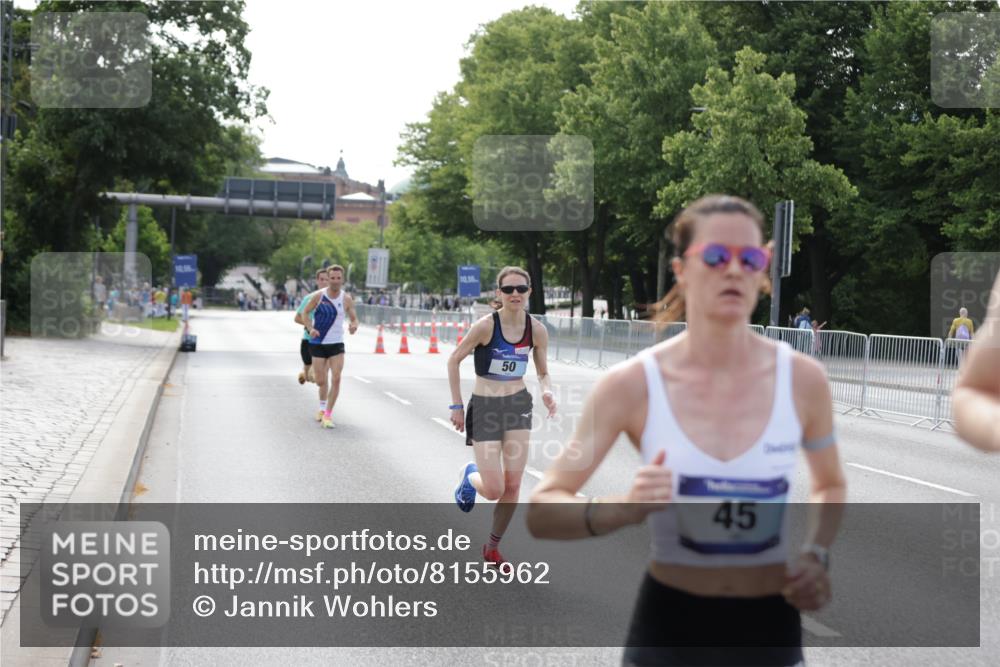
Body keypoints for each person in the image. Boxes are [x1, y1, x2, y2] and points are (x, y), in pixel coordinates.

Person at [526, 195, 846, 666]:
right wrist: (624, 510)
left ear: (764, 270)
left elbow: (830, 483)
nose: (733, 270)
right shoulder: (631, 385)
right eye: (715, 257)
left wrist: (817, 553)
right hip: (669, 631)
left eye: (750, 258)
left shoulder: (803, 380)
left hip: (770, 634)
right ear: (682, 270)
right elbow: (542, 509)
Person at [449, 266, 558, 569]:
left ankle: (492, 548)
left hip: (518, 406)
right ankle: (470, 475)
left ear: (529, 292)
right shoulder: (485, 326)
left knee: (513, 486)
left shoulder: (536, 330)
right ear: (498, 294)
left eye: (520, 289)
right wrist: (456, 406)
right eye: (508, 289)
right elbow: (454, 359)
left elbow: (543, 372)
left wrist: (548, 392)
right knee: (494, 489)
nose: (515, 294)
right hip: (485, 406)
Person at [301, 265, 358, 428]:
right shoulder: (319, 296)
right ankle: (321, 406)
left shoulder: (346, 299)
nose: (335, 281)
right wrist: (310, 329)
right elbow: (305, 313)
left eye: (338, 278)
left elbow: (354, 318)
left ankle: (328, 414)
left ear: (342, 279)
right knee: (320, 381)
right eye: (332, 278)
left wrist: (354, 326)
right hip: (318, 343)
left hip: (336, 343)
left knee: (337, 378)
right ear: (328, 279)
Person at [953, 270, 1000, 452]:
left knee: (962, 355)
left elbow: (974, 391)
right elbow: (976, 390)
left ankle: (961, 367)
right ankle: (961, 367)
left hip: (961, 341)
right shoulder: (965, 321)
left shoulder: (959, 320)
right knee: (963, 355)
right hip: (965, 342)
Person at [294, 269, 329, 387]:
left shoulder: (334, 299)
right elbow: (297, 318)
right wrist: (310, 326)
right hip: (308, 339)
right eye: (321, 279)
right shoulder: (309, 298)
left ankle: (318, 380)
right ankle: (305, 374)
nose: (324, 282)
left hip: (325, 341)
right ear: (317, 281)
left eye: (326, 279)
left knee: (318, 374)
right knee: (309, 375)